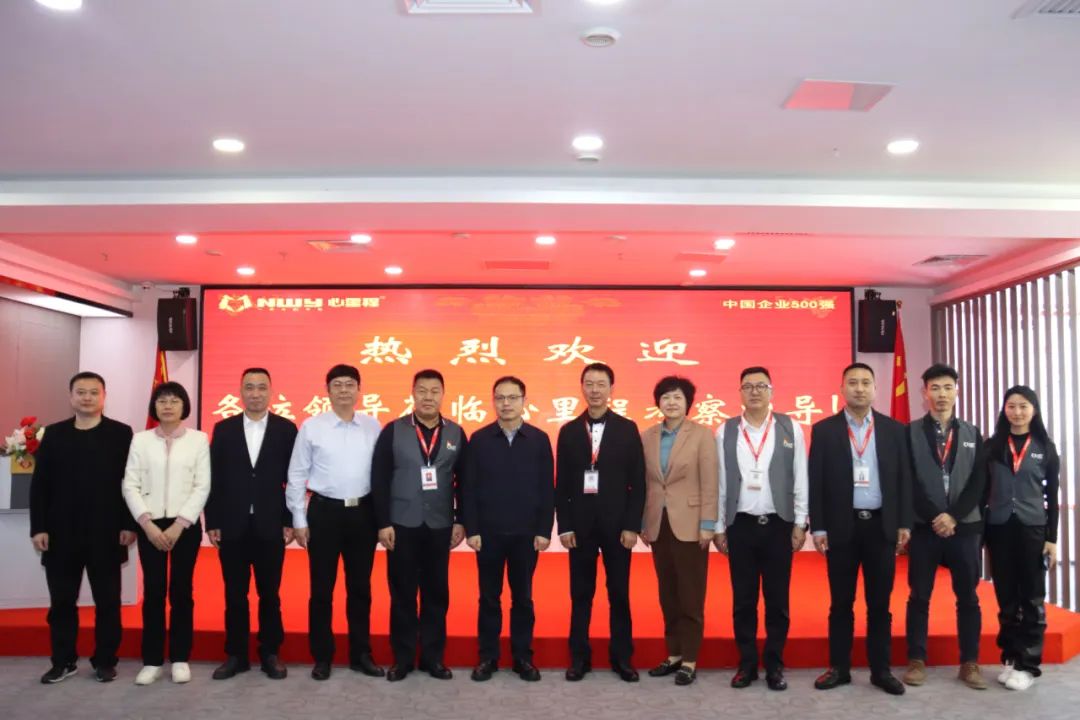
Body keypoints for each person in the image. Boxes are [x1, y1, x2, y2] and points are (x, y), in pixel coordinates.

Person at [808, 362, 912, 696]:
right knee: (841, 603)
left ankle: (881, 670)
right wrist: (818, 527)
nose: (859, 388)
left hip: (881, 526)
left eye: (866, 382)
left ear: (875, 389)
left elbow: (904, 480)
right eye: (852, 382)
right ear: (842, 388)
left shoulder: (894, 430)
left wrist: (904, 522)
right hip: (842, 527)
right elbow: (816, 482)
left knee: (880, 604)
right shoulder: (825, 430)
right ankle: (839, 668)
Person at [29, 372, 135, 684]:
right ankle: (63, 661)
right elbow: (40, 485)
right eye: (81, 392)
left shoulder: (121, 433)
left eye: (93, 392)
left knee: (108, 602)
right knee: (62, 602)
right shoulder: (54, 434)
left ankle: (105, 661)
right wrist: (39, 527)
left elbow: (131, 483)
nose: (87, 398)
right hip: (61, 533)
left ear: (104, 396)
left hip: (107, 532)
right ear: (71, 396)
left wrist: (129, 524)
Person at [286, 364, 384, 681]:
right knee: (321, 589)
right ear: (327, 391)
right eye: (337, 384)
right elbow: (297, 474)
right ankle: (322, 656)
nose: (344, 390)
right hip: (324, 513)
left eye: (349, 384)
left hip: (362, 514)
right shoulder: (312, 427)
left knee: (360, 588)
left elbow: (383, 476)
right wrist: (298, 518)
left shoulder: (373, 426)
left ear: (359, 390)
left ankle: (360, 654)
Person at [715, 367, 808, 691]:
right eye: (748, 386)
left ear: (771, 391)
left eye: (761, 386)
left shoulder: (789, 427)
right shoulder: (725, 431)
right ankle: (747, 664)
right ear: (740, 392)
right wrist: (719, 526)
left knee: (777, 599)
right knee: (743, 600)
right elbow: (721, 482)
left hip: (778, 525)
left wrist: (800, 522)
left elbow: (800, 476)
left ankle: (774, 664)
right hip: (740, 525)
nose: (754, 392)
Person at [372, 369, 467, 681]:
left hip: (440, 525)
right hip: (402, 525)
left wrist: (461, 520)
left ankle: (432, 658)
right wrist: (383, 522)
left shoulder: (455, 433)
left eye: (434, 391)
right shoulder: (393, 430)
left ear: (443, 394)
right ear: (413, 393)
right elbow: (379, 478)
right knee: (402, 593)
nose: (428, 397)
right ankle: (402, 659)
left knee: (436, 593)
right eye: (422, 391)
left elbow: (465, 482)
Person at [556, 362, 646, 683]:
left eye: (601, 384)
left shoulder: (627, 429)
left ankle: (622, 658)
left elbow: (638, 482)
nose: (595, 390)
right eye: (589, 384)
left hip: (617, 527)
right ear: (582, 387)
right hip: (580, 528)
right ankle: (579, 659)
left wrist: (632, 526)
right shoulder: (569, 431)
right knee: (581, 595)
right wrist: (565, 526)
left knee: (619, 594)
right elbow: (561, 485)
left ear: (611, 389)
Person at [207, 368, 298, 680]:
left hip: (270, 524)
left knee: (269, 594)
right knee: (234, 594)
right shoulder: (224, 429)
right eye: (249, 387)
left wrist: (288, 519)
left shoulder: (286, 429)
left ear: (271, 391)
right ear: (240, 391)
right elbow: (214, 478)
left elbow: (293, 479)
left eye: (261, 387)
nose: (255, 393)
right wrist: (213, 520)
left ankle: (270, 653)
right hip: (232, 524)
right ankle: (236, 655)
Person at [902, 364, 988, 690]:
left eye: (947, 387)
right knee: (919, 596)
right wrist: (934, 516)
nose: (941, 394)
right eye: (935, 388)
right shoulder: (909, 432)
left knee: (968, 598)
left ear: (956, 391)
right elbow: (908, 480)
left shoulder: (972, 433)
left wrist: (953, 516)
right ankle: (916, 660)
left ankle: (970, 662)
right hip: (925, 528)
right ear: (924, 392)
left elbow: (979, 481)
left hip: (964, 528)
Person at [463, 376, 554, 683]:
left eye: (512, 397)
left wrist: (544, 530)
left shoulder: (539, 439)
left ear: (524, 401)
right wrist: (472, 529)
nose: (506, 403)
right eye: (500, 398)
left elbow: (547, 488)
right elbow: (468, 488)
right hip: (488, 534)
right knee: (489, 598)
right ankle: (487, 657)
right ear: (493, 401)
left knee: (523, 599)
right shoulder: (479, 439)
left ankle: (522, 658)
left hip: (525, 535)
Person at [122, 381, 210, 686]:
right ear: (154, 407)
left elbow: (202, 485)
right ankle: (152, 660)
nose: (168, 406)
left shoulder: (199, 440)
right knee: (154, 592)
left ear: (184, 406)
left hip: (184, 526)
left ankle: (180, 658)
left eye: (174, 400)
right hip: (150, 525)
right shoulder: (140, 440)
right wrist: (146, 524)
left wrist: (179, 524)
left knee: (182, 591)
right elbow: (130, 484)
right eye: (162, 401)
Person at [640, 375, 717, 686]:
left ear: (688, 403)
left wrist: (708, 523)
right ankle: (673, 654)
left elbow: (710, 482)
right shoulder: (647, 436)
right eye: (666, 397)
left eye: (677, 397)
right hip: (659, 524)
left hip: (691, 524)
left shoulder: (702, 435)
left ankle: (689, 659)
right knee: (668, 594)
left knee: (690, 594)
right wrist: (643, 523)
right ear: (658, 402)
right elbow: (645, 484)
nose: (671, 402)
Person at [984, 385, 1060, 691]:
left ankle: (1028, 664)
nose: (1017, 412)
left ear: (1034, 410)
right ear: (1004, 410)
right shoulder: (992, 446)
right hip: (999, 527)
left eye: (1023, 406)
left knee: (1031, 597)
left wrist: (1052, 538)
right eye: (1011, 406)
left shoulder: (1045, 447)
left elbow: (1052, 497)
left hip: (1033, 529)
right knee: (1006, 597)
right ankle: (1010, 657)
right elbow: (982, 490)